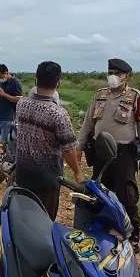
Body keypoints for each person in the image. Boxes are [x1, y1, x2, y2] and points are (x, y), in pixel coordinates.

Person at [77, 58, 140, 253]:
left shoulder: (136, 97)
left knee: (127, 195)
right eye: (111, 72)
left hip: (123, 154)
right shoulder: (100, 95)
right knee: (98, 193)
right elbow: (87, 124)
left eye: (118, 74)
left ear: (127, 76)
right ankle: (100, 230)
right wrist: (79, 147)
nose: (113, 77)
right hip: (100, 152)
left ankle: (133, 236)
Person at [15, 61, 84, 220]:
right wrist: (77, 173)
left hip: (22, 173)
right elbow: (68, 149)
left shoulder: (21, 104)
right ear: (58, 82)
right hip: (46, 179)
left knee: (23, 218)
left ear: (36, 79)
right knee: (44, 221)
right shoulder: (58, 114)